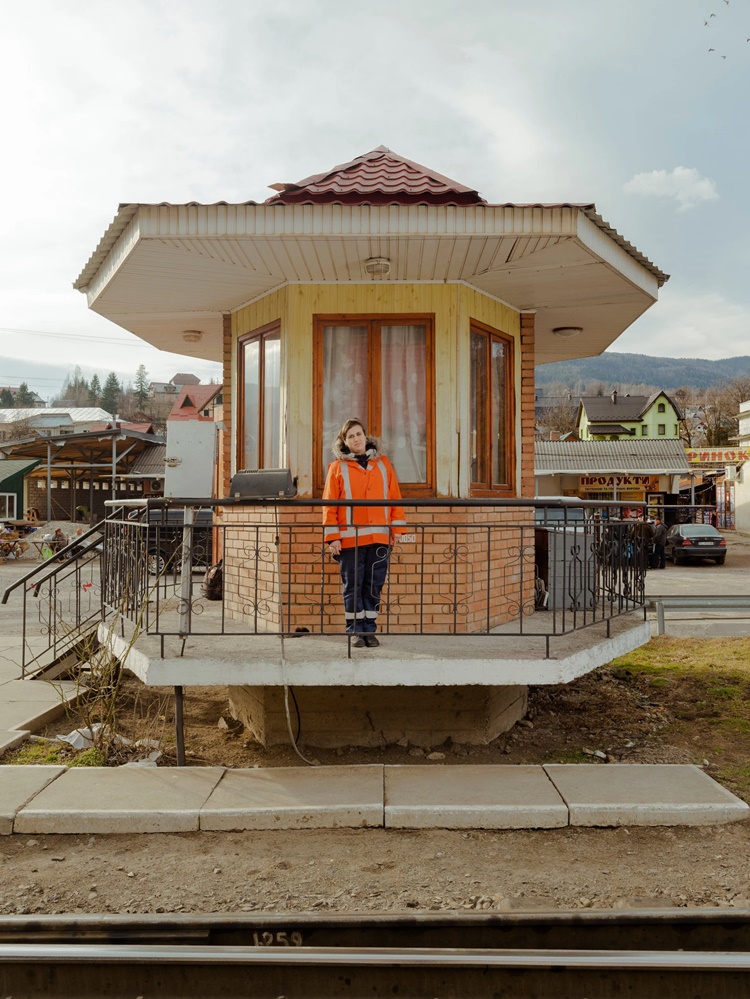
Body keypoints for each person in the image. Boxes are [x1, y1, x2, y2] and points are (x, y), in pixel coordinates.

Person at [323, 418, 406, 648]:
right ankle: (356, 632)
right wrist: (333, 538)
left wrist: (397, 529)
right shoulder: (337, 468)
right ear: (345, 442)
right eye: (351, 436)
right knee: (353, 586)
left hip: (379, 538)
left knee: (373, 585)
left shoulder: (383, 464)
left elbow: (395, 497)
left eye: (359, 434)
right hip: (349, 541)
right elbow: (329, 505)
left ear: (366, 436)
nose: (356, 439)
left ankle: (370, 630)